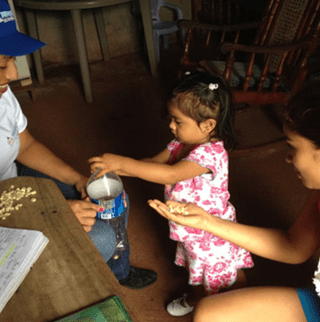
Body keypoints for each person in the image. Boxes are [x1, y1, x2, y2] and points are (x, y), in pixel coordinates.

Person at [0, 0, 156, 289]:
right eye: (1, 64)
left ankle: (116, 272)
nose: (12, 73)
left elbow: (25, 145)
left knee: (112, 197)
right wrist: (51, 216)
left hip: (8, 187)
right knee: (100, 237)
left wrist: (78, 181)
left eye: (12, 60)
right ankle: (79, 281)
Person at [148, 67, 320, 321]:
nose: (288, 159)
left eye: (293, 147)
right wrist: (207, 222)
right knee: (209, 313)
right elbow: (292, 247)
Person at [88, 71, 253, 316]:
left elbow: (170, 175)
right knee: (200, 272)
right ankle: (202, 297)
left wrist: (121, 162)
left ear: (208, 125)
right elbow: (154, 164)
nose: (170, 125)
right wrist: (118, 171)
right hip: (191, 228)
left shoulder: (210, 155)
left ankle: (230, 308)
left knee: (218, 278)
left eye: (178, 121)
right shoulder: (180, 143)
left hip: (211, 233)